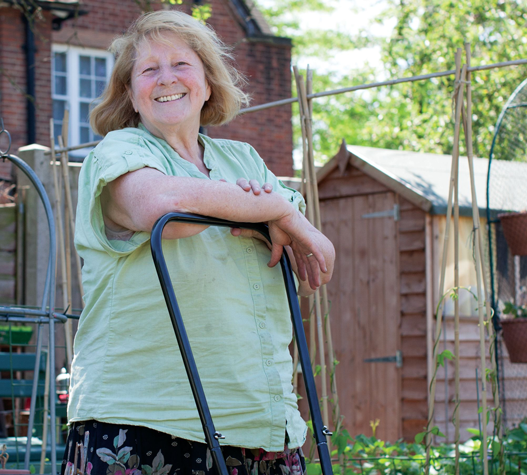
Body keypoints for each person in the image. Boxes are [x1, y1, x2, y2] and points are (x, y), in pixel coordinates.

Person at [63, 10, 335, 475]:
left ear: (208, 83)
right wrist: (279, 209)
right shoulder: (120, 152)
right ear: (131, 92)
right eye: (148, 70)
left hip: (259, 426)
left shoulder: (242, 158)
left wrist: (282, 218)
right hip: (145, 422)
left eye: (181, 65)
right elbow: (163, 211)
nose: (166, 78)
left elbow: (316, 261)